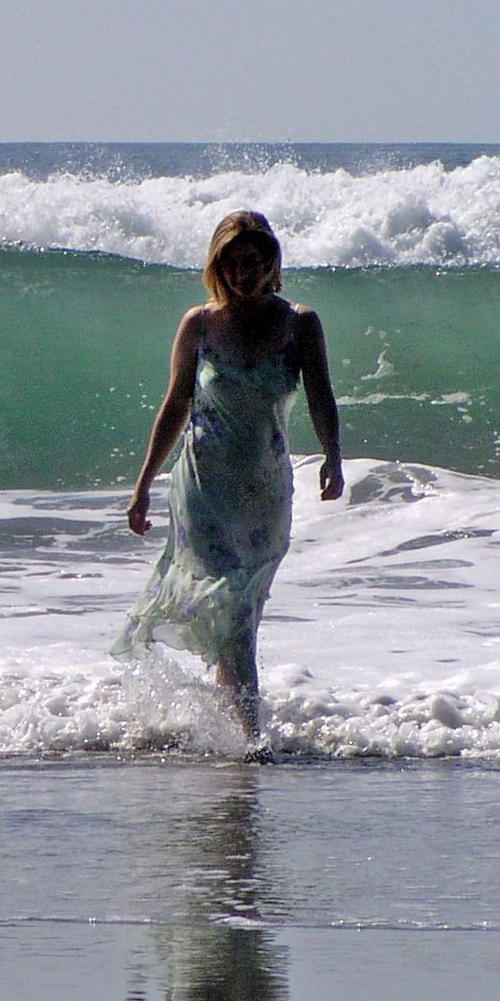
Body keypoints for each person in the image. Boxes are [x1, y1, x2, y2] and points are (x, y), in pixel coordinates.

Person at [114, 210, 343, 740]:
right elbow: (175, 405)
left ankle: (227, 731)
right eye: (233, 264)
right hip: (204, 489)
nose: (244, 275)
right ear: (218, 265)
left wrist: (333, 456)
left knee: (241, 614)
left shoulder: (300, 324)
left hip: (265, 491)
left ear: (272, 264)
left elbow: (320, 396)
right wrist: (144, 485)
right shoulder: (199, 325)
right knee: (233, 616)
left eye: (255, 264)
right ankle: (252, 742)